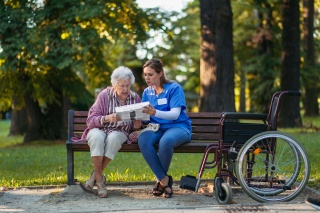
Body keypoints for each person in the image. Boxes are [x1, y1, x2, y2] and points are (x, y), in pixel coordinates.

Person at [81, 66, 141, 198]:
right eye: (122, 86)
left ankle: (95, 177)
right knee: (96, 136)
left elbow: (136, 125)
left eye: (127, 85)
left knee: (114, 137)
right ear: (114, 85)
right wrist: (107, 118)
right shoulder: (104, 95)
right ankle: (100, 181)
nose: (125, 89)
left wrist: (137, 125)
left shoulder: (135, 98)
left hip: (120, 132)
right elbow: (90, 120)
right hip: (100, 129)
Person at [138, 58, 192, 198]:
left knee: (166, 141)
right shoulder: (147, 92)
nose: (147, 78)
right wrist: (137, 118)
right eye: (145, 75)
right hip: (157, 127)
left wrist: (155, 112)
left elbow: (175, 115)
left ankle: (159, 182)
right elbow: (146, 117)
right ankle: (164, 179)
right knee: (143, 139)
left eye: (150, 74)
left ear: (160, 73)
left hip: (178, 127)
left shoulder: (175, 88)